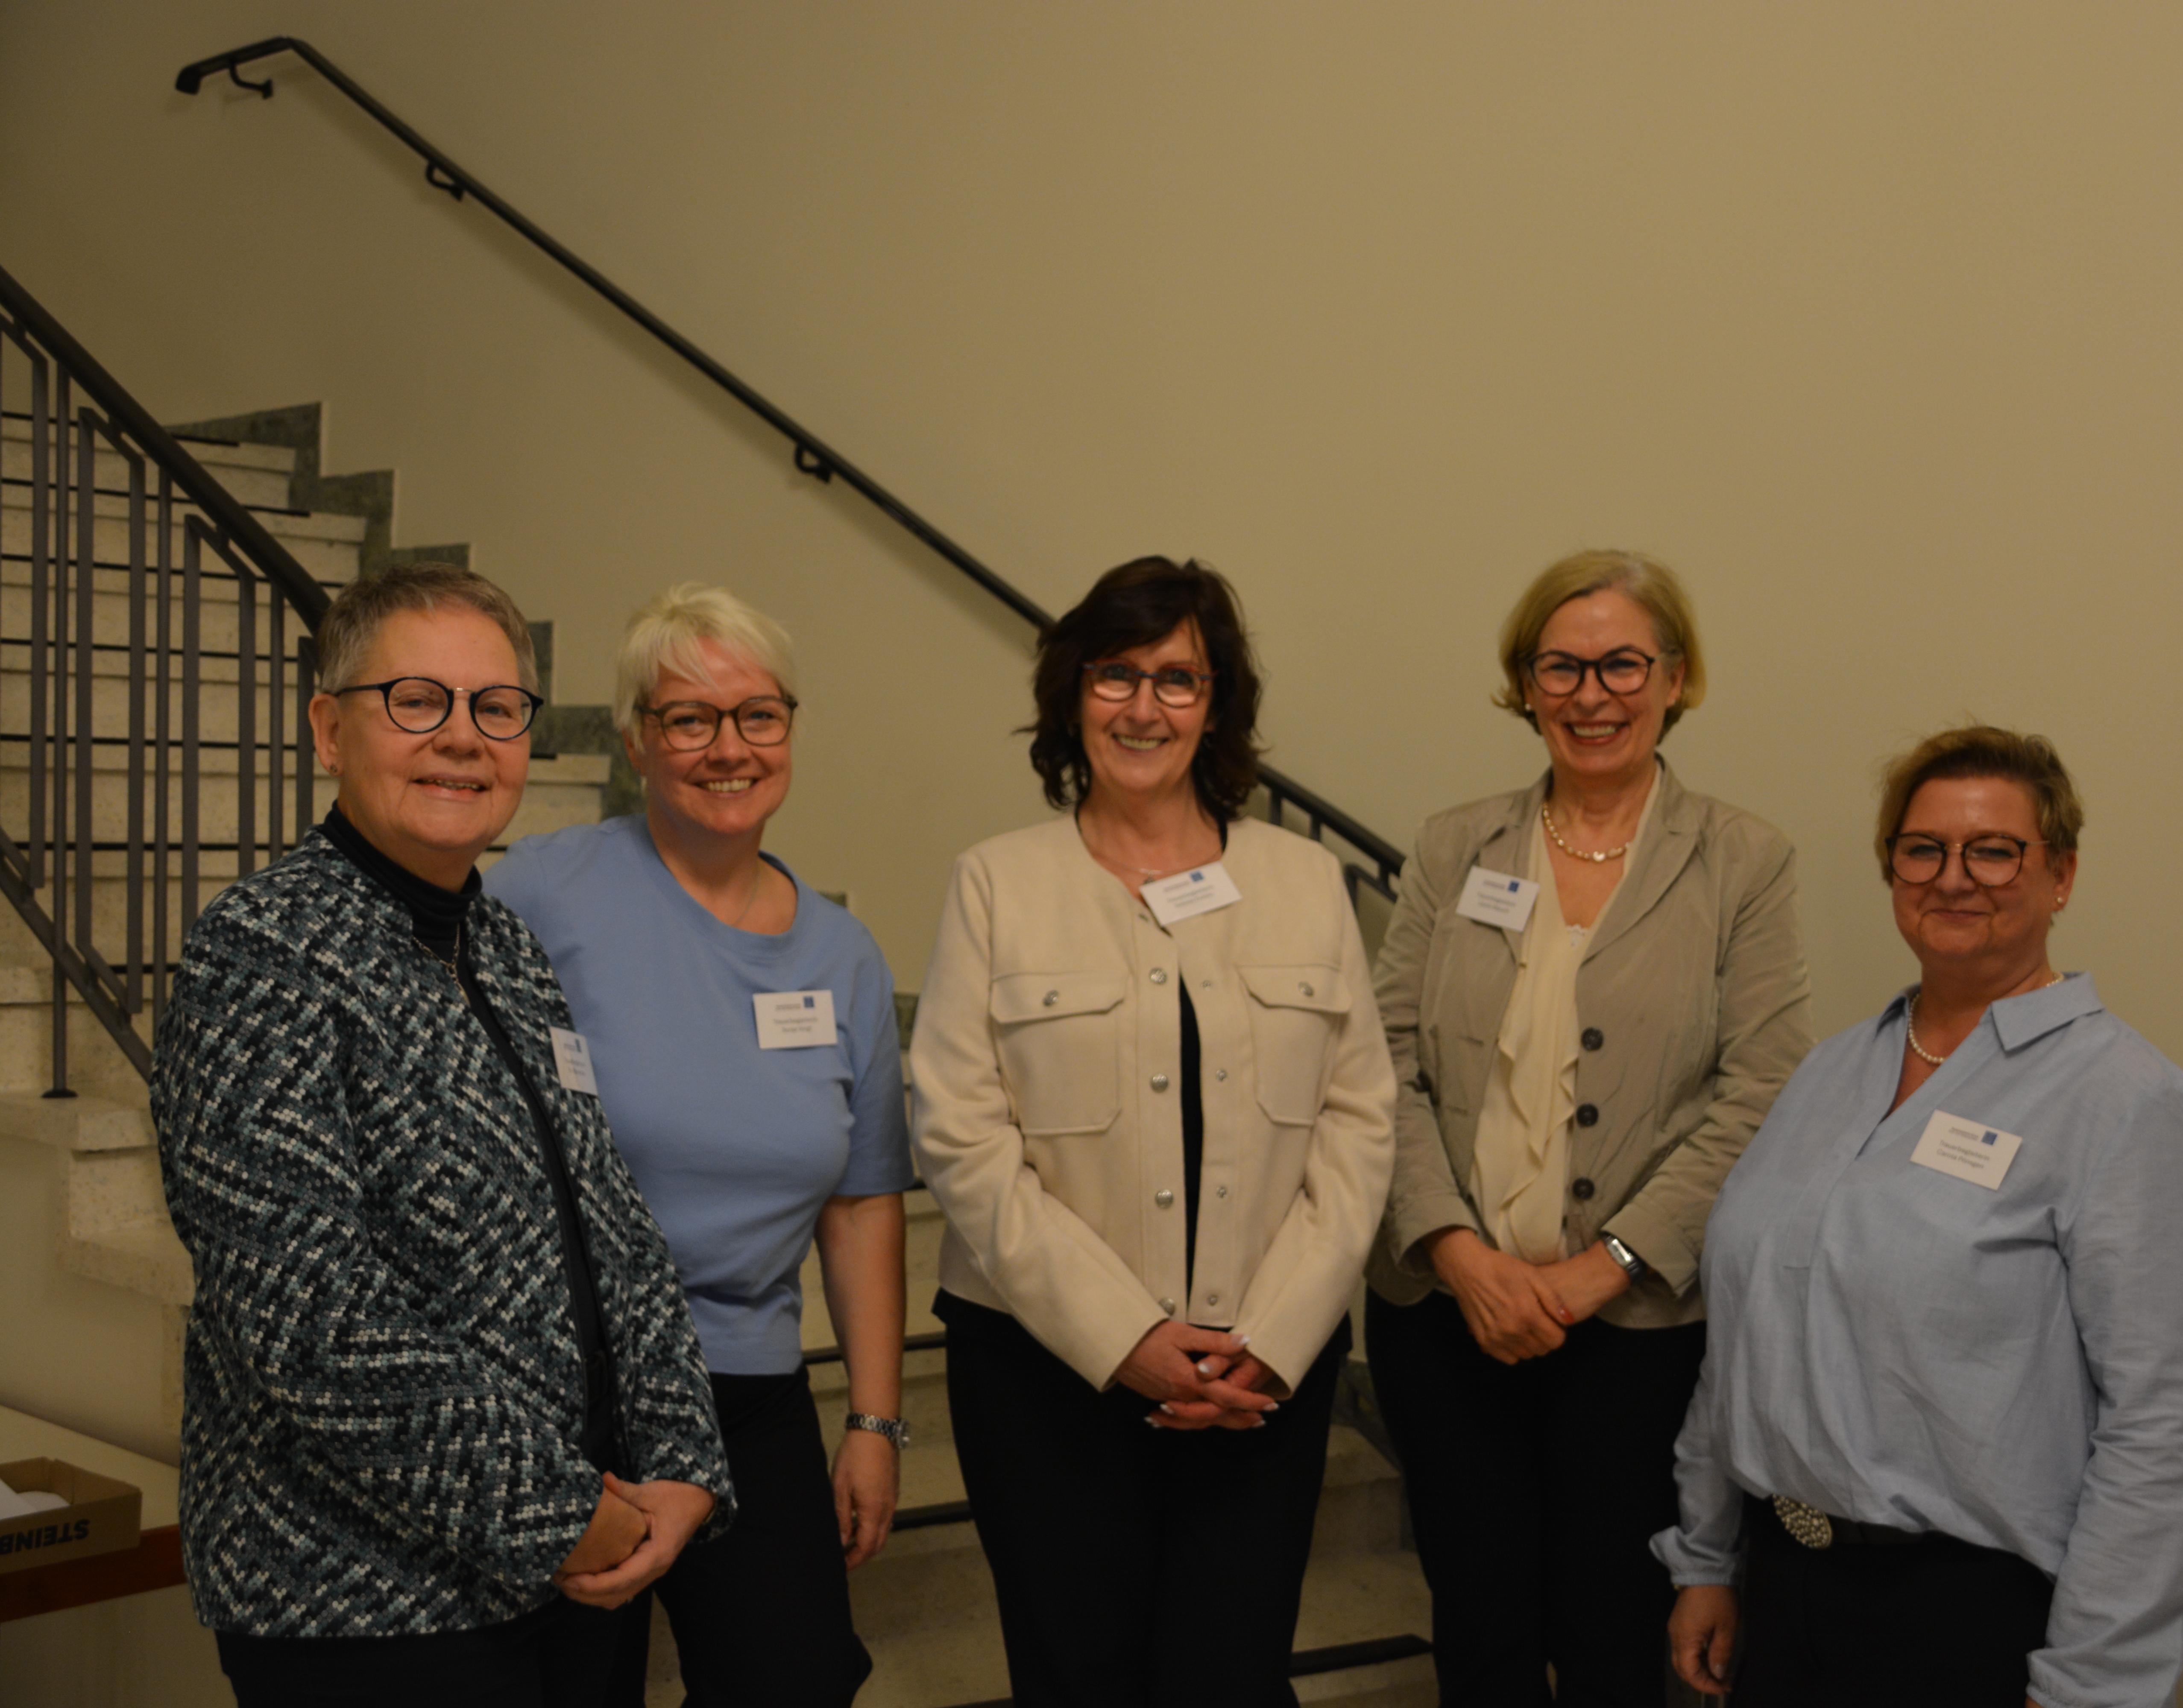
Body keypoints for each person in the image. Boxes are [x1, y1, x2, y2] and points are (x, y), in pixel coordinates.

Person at [152, 563, 733, 1708]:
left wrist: (679, 1459)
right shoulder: (262, 951)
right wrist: (561, 1514)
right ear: (330, 729)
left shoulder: (504, 948)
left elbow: (611, 1226)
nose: (463, 737)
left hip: (577, 1571)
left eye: (496, 707)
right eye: (416, 700)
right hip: (368, 1600)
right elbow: (309, 1319)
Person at [1658, 725, 2183, 1708]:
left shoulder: (2127, 1101)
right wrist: (1707, 1553)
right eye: (1923, 849)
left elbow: (2165, 1421)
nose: (1954, 877)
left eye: (1994, 850)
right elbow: (1745, 1334)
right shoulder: (1829, 1072)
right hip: (1781, 1591)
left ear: (2061, 873)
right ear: (1892, 870)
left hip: (1967, 1617)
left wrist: (2093, 1681)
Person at [908, 555, 1396, 1707]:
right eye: (1115, 674)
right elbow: (962, 1136)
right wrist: (1123, 1335)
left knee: (1230, 1676)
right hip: (1042, 1377)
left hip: (1256, 1376)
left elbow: (1360, 1126)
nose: (1144, 706)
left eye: (1177, 678)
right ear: (1073, 694)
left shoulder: (1305, 883)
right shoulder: (995, 884)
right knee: (1076, 1677)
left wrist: (1271, 1337)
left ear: (1216, 704)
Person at [1362, 547, 1814, 1706]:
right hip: (1449, 1317)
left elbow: (1760, 1089)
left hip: (1636, 1329)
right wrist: (1459, 1255)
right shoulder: (1454, 846)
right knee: (1480, 1627)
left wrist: (1602, 1267)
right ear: (1526, 684)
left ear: (1676, 677)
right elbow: (1382, 1064)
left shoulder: (1743, 860)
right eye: (1560, 666)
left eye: (1622, 664)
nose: (1591, 693)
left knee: (1614, 1633)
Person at [488, 585, 910, 1708]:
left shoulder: (845, 958)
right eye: (690, 718)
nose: (730, 748)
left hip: (747, 1389)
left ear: (790, 730)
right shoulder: (541, 893)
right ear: (636, 740)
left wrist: (873, 1421)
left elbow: (863, 1201)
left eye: (758, 715)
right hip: (564, 1390)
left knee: (796, 1681)